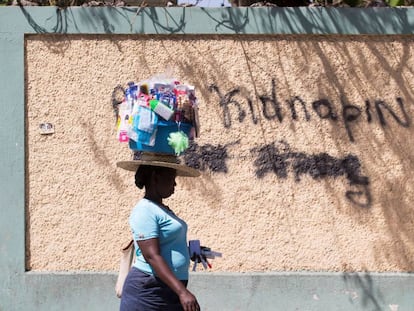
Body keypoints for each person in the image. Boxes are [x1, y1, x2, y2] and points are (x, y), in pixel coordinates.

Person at [117, 152, 201, 311]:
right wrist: (182, 292)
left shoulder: (161, 209)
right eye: (171, 178)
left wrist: (192, 252)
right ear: (155, 178)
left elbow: (168, 245)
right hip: (149, 292)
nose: (175, 184)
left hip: (168, 290)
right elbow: (152, 256)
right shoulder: (144, 210)